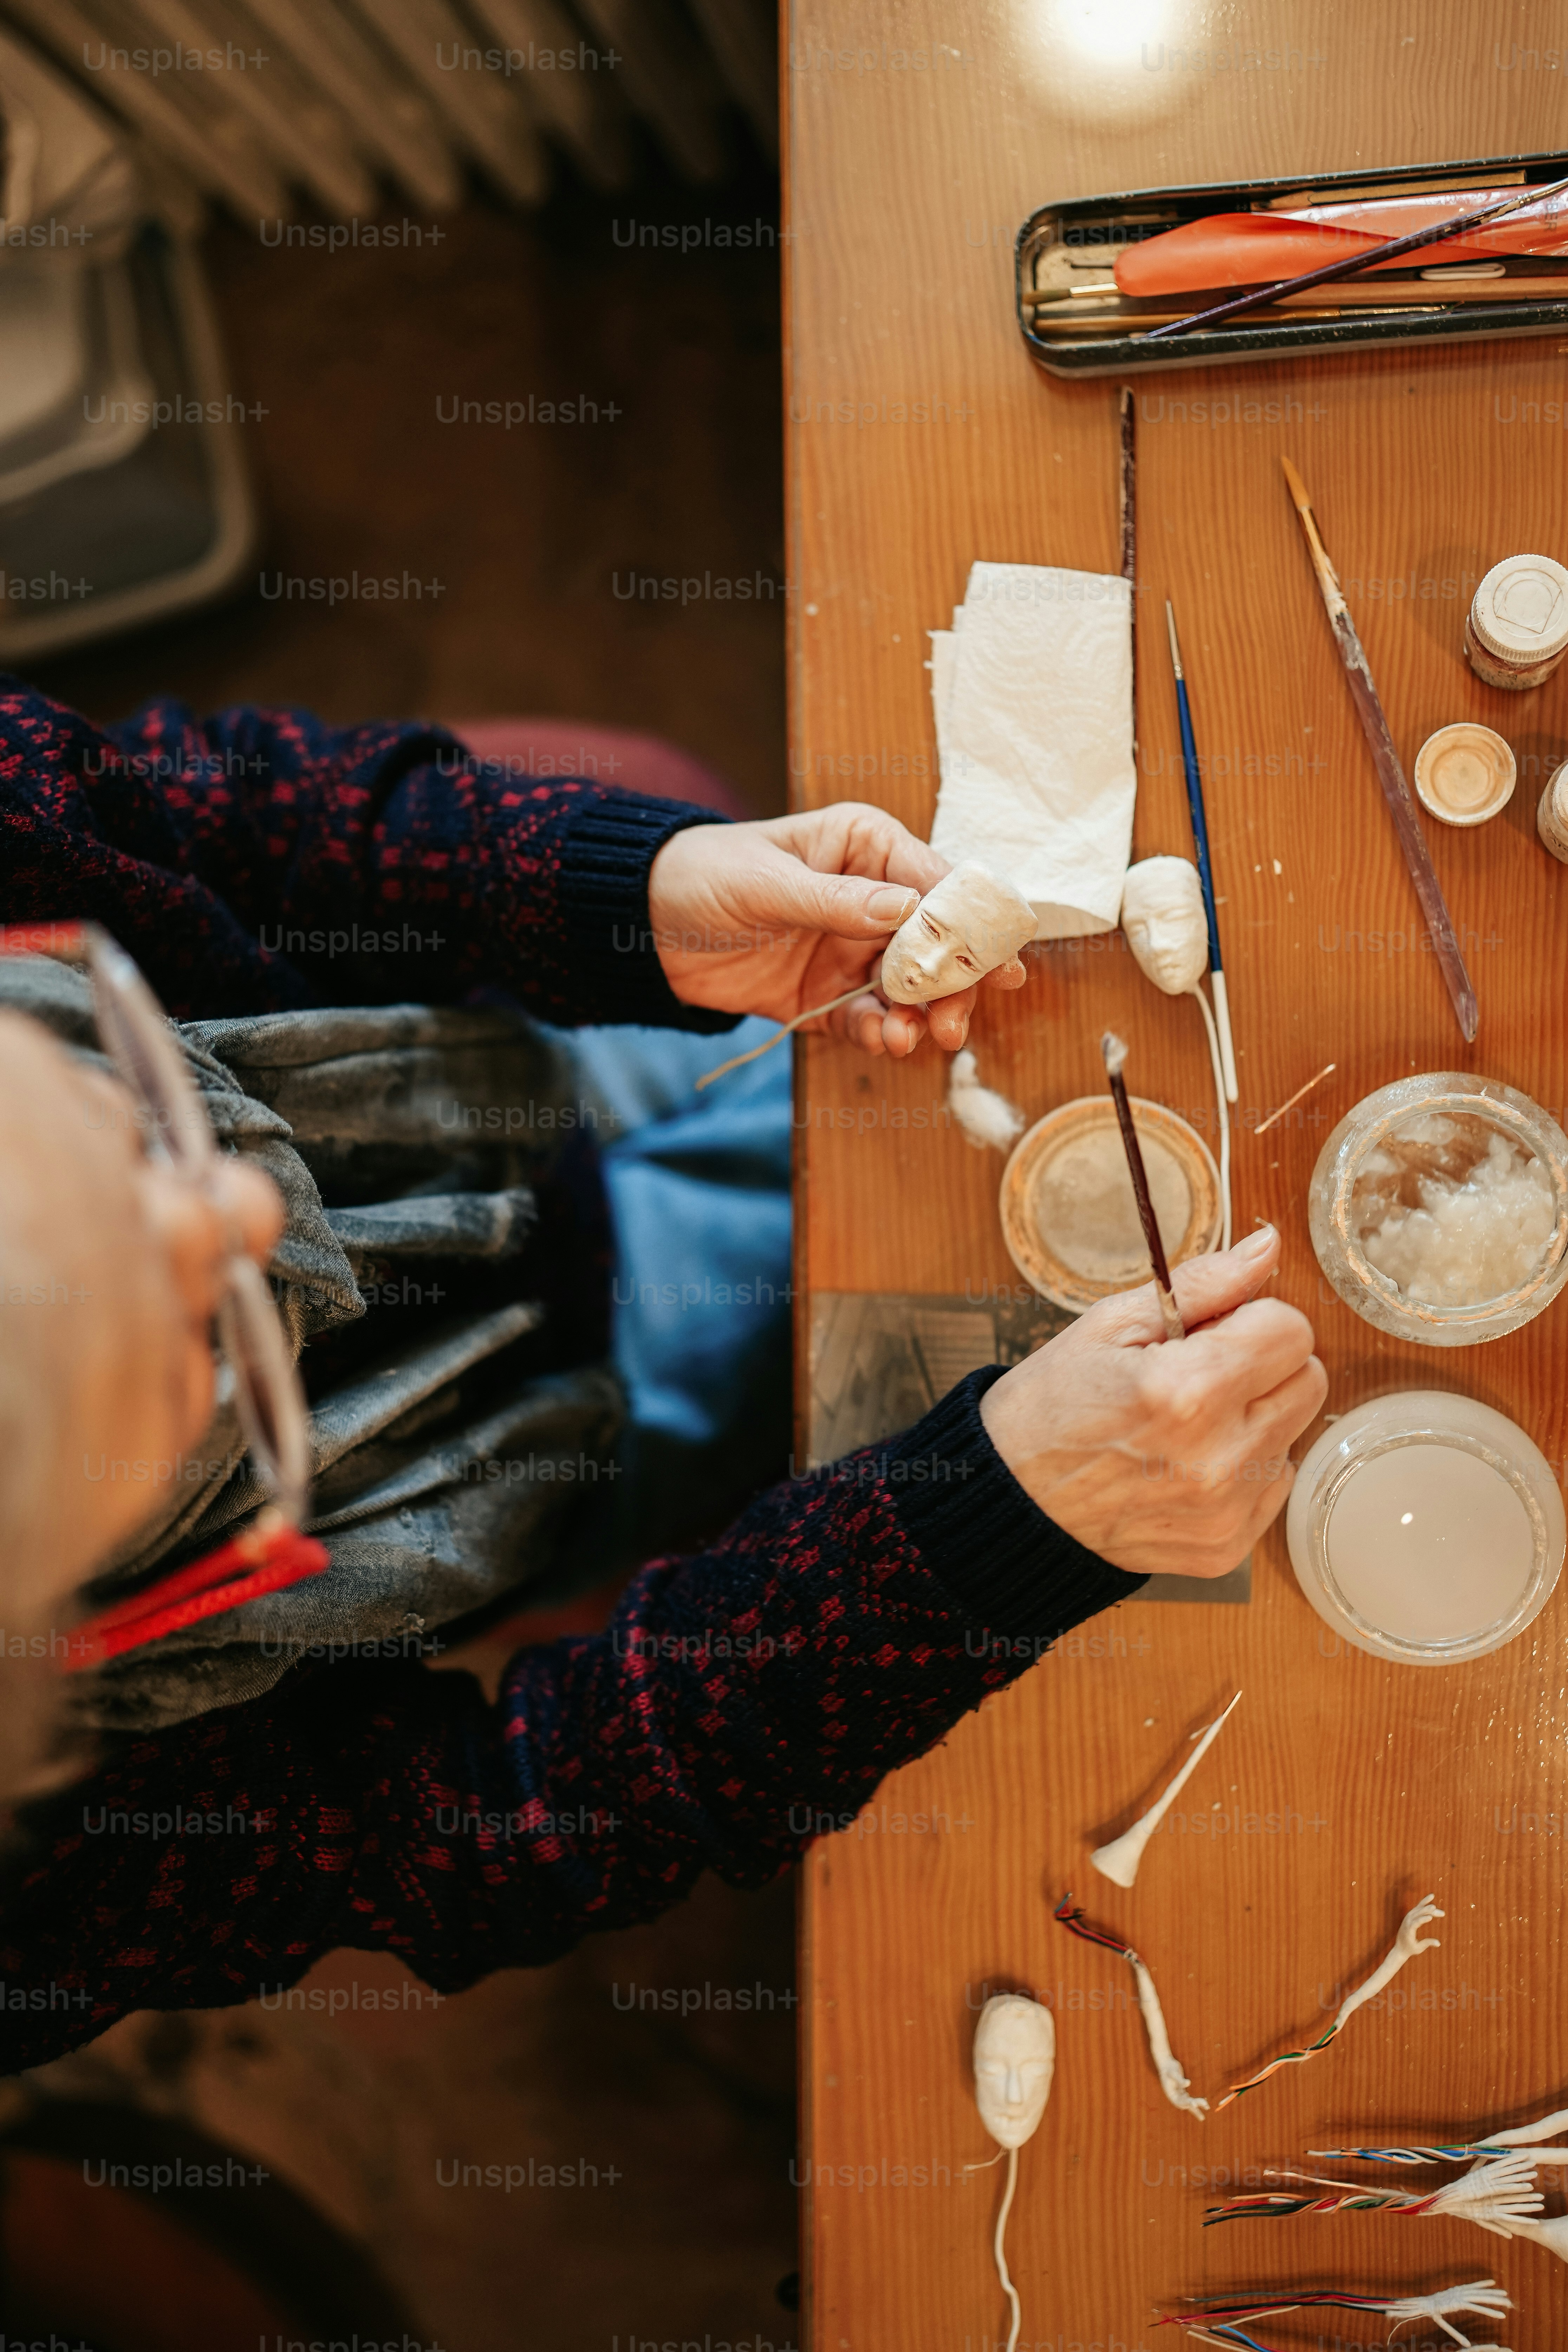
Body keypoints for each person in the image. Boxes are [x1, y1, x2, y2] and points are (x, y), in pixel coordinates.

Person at [0, 680, 1326, 2070]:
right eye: (211, 1368)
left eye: (127, 1111)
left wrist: (627, 894)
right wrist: (972, 1537)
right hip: (558, 1431)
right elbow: (483, 1833)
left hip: (484, 1044)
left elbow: (228, 815)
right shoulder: (57, 1881)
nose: (261, 1217)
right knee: (869, 1368)